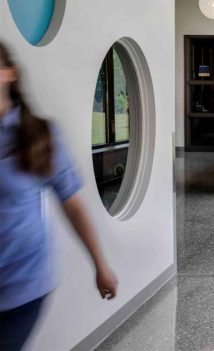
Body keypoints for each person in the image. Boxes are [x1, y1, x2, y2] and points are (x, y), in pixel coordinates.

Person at [0, 41, 118, 350]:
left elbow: (73, 205)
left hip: (20, 287)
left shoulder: (37, 134)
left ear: (9, 74)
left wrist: (100, 265)